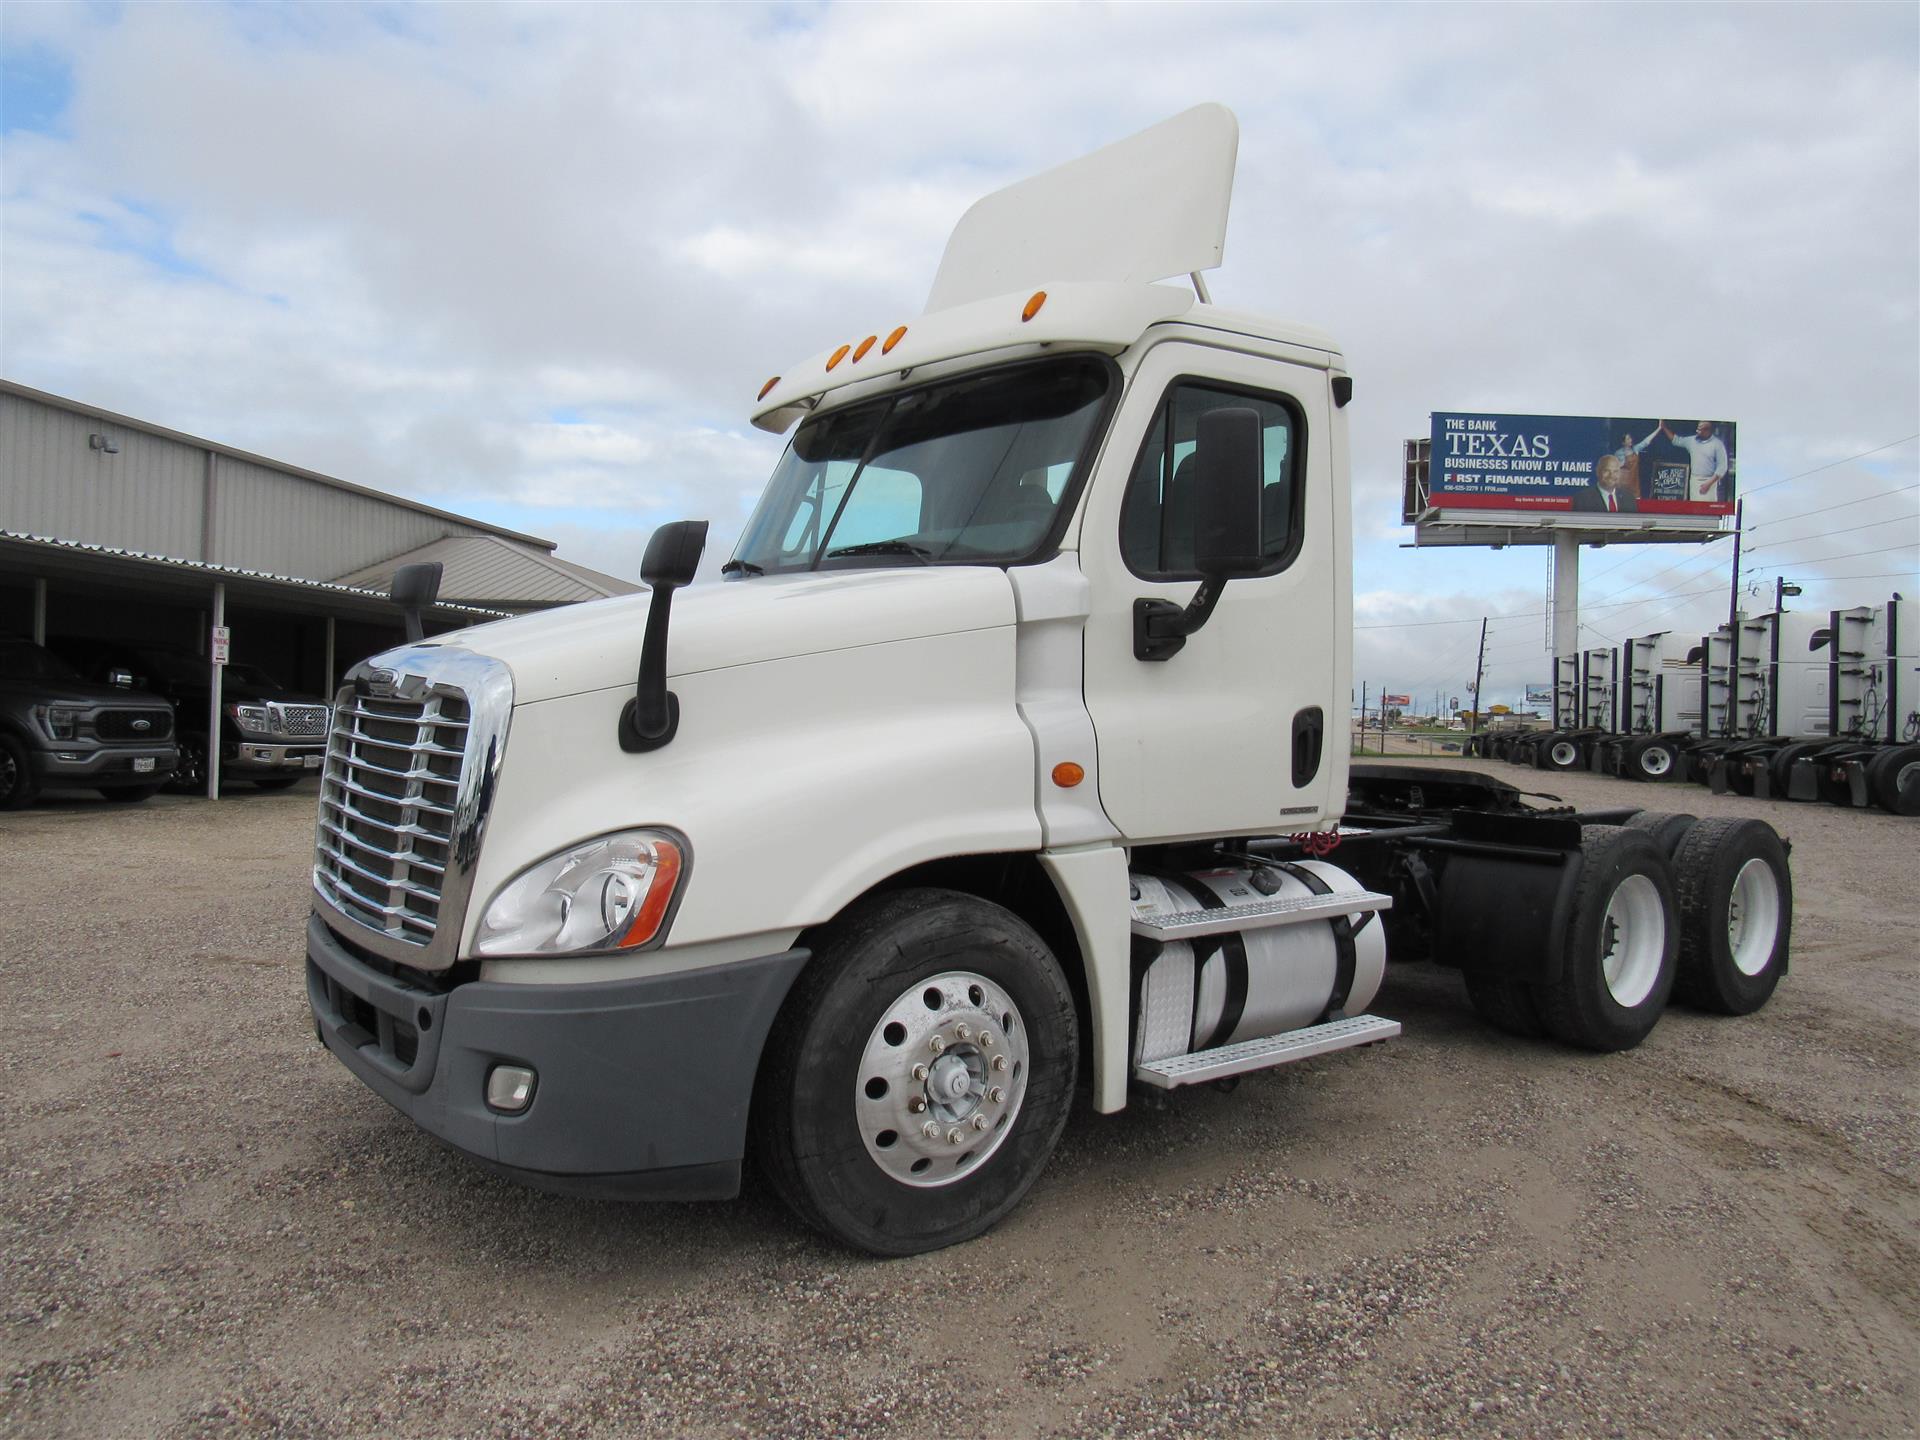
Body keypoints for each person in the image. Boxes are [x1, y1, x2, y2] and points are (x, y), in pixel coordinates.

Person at [1657, 420, 1731, 503]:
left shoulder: (1717, 444)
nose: (1697, 431)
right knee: (1695, 508)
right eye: (1697, 429)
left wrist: (1709, 483)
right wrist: (1664, 427)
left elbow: (1722, 467)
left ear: (1708, 431)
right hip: (1694, 481)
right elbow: (1676, 440)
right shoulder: (1692, 441)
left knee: (1708, 510)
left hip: (1710, 481)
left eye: (1700, 430)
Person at [1572, 453, 1638, 513]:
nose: (1611, 475)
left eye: (1615, 471)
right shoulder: (1582, 499)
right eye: (1607, 471)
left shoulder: (1629, 498)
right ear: (1598, 471)